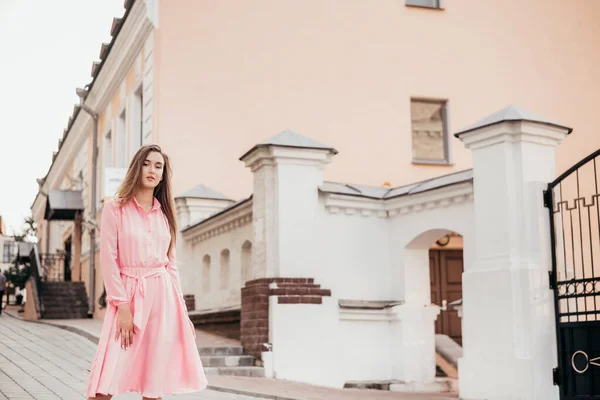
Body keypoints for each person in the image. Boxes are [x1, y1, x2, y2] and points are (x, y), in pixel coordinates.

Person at [86, 144, 207, 400]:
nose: (152, 170)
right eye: (147, 164)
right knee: (107, 377)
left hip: (163, 298)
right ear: (137, 168)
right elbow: (109, 260)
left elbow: (170, 266)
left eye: (158, 166)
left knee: (154, 379)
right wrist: (123, 307)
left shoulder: (165, 216)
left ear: (163, 175)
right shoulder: (115, 209)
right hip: (127, 295)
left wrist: (183, 315)